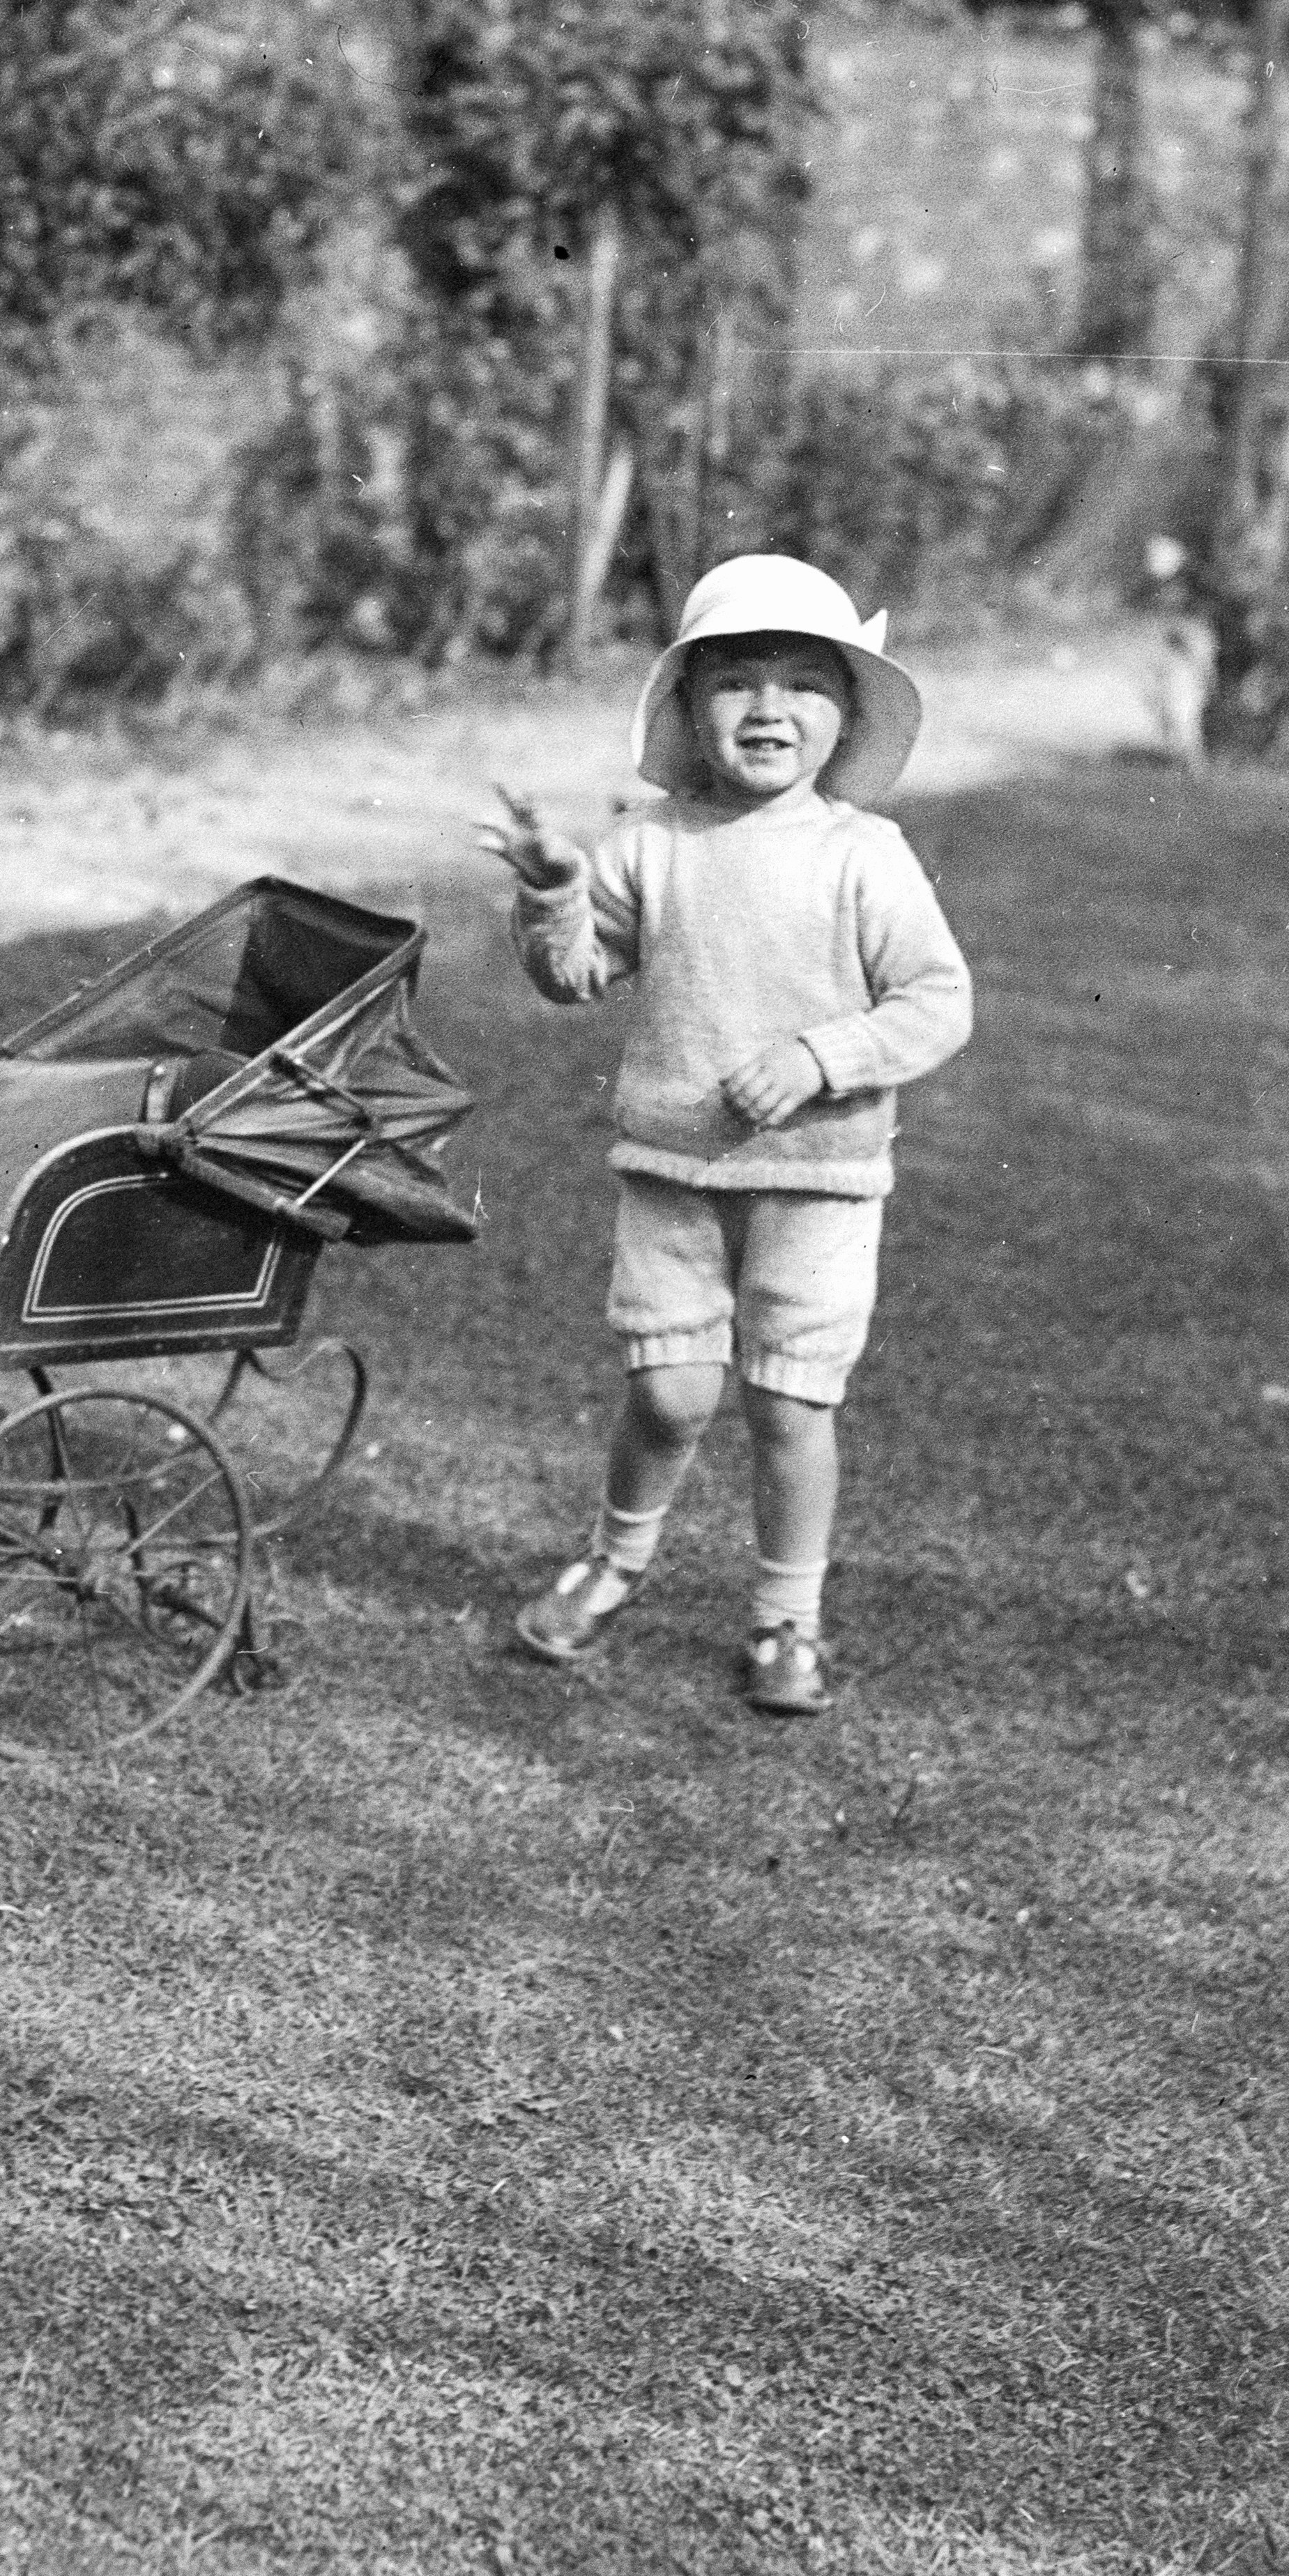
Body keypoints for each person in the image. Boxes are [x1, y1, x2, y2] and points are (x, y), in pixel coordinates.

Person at [474, 554, 975, 1718]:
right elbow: (573, 979)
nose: (767, 708)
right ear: (689, 710)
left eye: (803, 683)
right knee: (668, 1396)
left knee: (791, 1404)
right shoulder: (653, 842)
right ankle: (613, 1560)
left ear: (844, 715)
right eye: (736, 682)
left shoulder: (864, 855)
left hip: (821, 1180)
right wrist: (553, 891)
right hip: (672, 1174)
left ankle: (785, 1619)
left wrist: (819, 1058)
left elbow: (936, 1000)